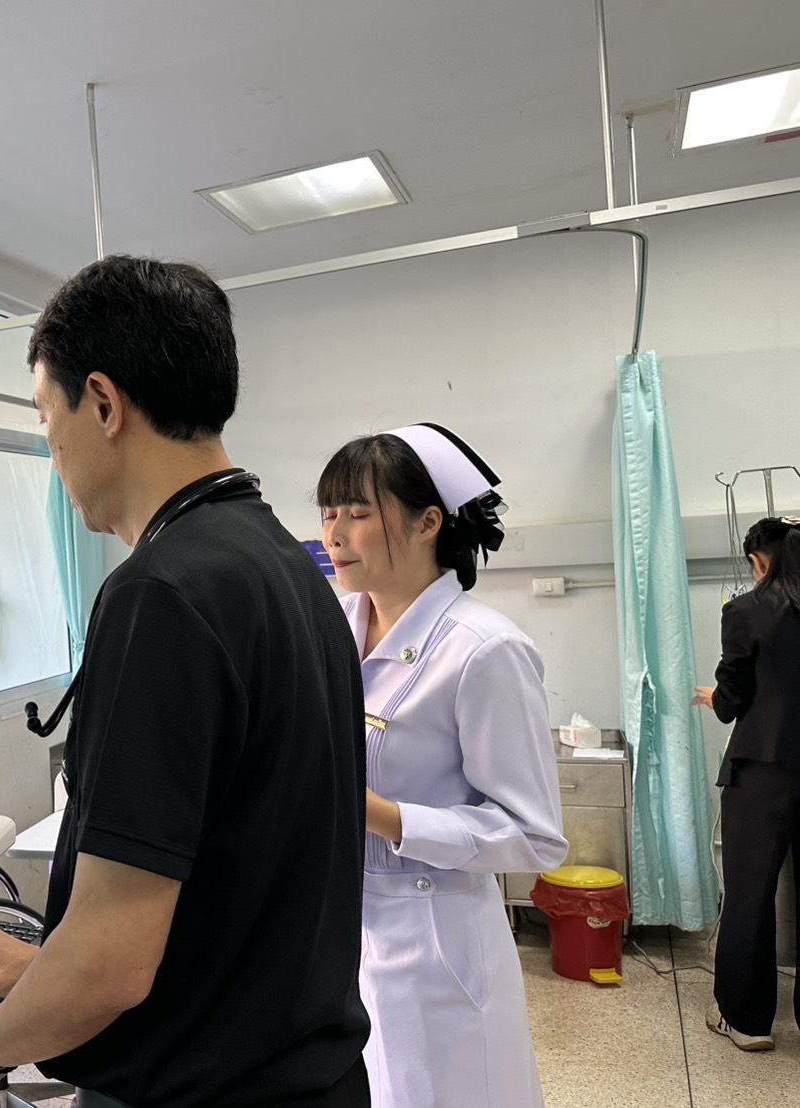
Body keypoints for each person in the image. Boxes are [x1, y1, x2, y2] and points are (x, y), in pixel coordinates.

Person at [0, 255, 371, 1107]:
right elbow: (230, 870)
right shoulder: (278, 562)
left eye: (46, 417)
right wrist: (48, 965)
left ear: (102, 404)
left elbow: (110, 968)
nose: (51, 452)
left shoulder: (160, 593)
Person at [316, 425, 567, 1108]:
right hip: (341, 932)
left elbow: (534, 836)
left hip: (436, 942)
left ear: (429, 523)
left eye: (358, 513)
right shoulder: (330, 627)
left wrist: (379, 815)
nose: (334, 533)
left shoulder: (483, 650)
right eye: (328, 512)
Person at [693, 515, 800, 1052]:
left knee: (750, 895)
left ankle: (746, 1020)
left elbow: (732, 699)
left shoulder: (747, 611)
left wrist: (716, 698)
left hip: (763, 770)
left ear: (760, 561)